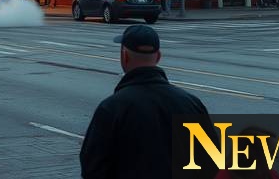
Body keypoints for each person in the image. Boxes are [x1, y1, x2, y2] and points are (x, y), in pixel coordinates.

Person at [80, 24, 215, 179]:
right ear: (158, 57)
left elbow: (92, 168)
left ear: (124, 56)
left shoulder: (112, 108)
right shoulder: (191, 104)